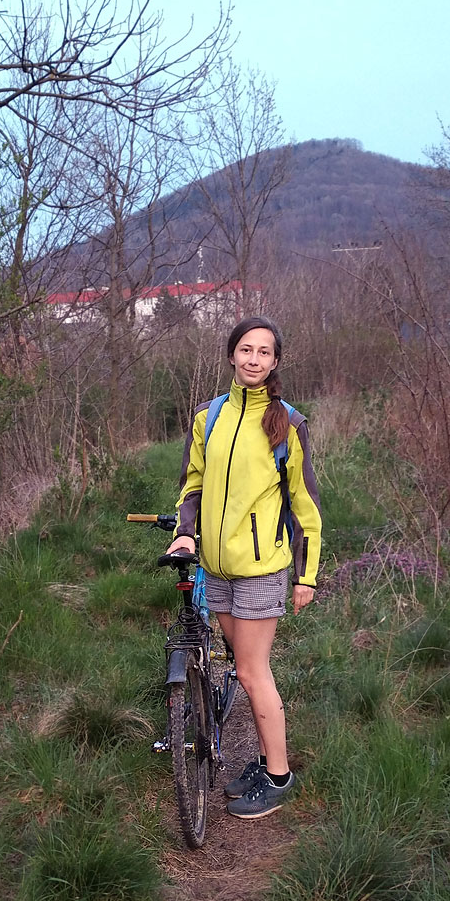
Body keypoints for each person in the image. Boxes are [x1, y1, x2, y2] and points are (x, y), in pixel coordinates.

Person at [165, 316, 322, 819]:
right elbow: (193, 483)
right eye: (246, 349)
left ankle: (278, 776)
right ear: (232, 354)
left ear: (275, 362)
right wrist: (185, 531)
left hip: (260, 568)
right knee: (242, 664)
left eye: (264, 352)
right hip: (214, 567)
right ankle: (264, 761)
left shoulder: (288, 424)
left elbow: (305, 506)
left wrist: (306, 574)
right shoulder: (208, 417)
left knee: (253, 672)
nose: (254, 359)